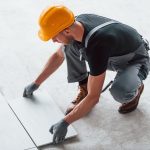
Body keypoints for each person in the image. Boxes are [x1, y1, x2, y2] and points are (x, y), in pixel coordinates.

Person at [23, 5, 150, 144]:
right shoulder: (74, 24)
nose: (53, 40)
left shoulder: (97, 45)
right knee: (68, 47)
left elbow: (94, 97)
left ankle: (135, 89)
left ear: (66, 31)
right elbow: (58, 56)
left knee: (120, 91)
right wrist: (36, 83)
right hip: (111, 52)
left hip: (134, 58)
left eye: (54, 36)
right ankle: (84, 85)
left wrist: (65, 122)